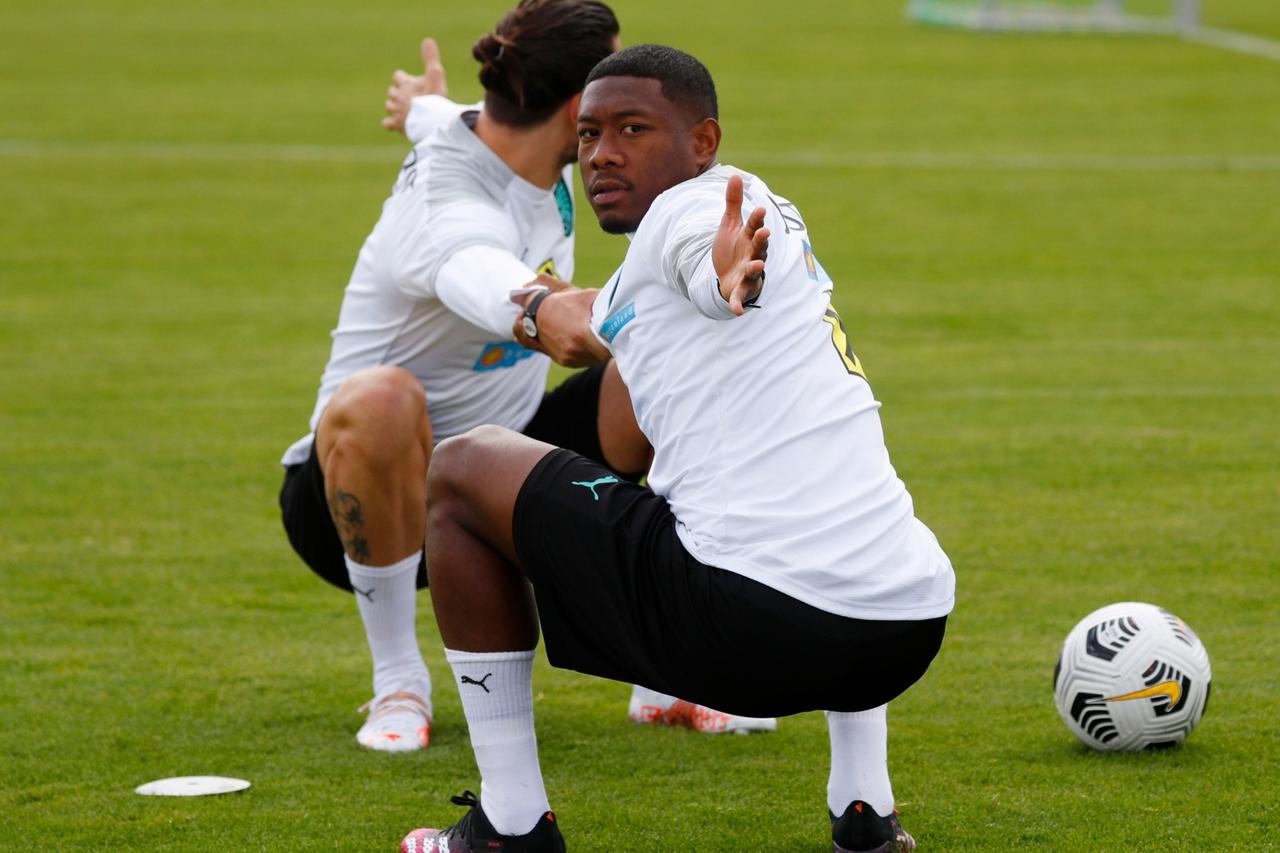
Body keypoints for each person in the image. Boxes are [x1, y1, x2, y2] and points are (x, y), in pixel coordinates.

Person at [400, 44, 955, 853]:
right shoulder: (769, 210)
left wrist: (726, 277)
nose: (603, 154)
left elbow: (705, 263)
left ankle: (508, 827)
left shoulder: (691, 220)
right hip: (908, 621)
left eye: (633, 128)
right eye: (588, 135)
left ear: (704, 143)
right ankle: (866, 811)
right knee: (820, 498)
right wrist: (427, 115)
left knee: (458, 470)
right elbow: (620, 333)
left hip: (753, 628)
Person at [277, 0, 637, 753]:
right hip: (356, 497)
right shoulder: (450, 212)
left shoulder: (493, 128)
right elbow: (488, 278)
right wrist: (564, 312)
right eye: (613, 89)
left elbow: (437, 113)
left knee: (661, 377)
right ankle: (398, 680)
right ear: (577, 109)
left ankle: (668, 671)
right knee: (383, 397)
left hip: (493, 470)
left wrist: (414, 101)